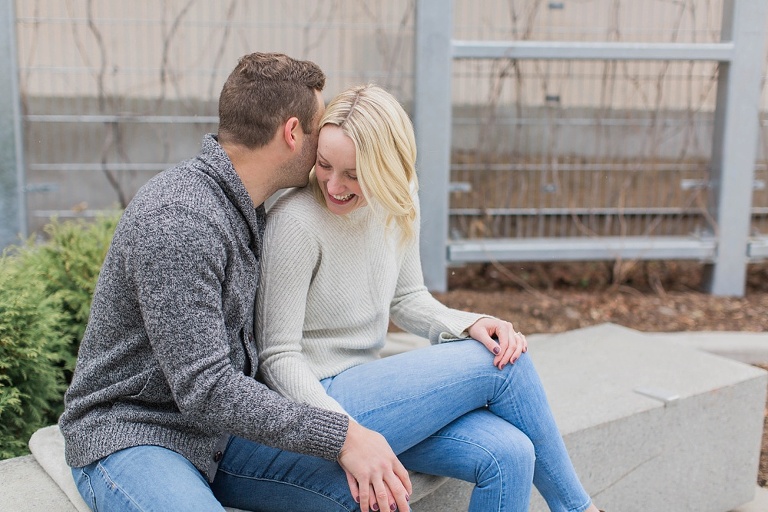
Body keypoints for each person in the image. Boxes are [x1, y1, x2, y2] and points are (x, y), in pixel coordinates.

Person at [58, 54, 412, 512]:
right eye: (318, 125)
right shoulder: (180, 220)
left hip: (221, 437)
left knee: (368, 495)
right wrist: (341, 435)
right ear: (291, 133)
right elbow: (207, 389)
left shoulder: (245, 205)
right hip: (135, 432)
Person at [256, 84, 604, 512]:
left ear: (386, 169)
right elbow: (277, 357)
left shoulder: (399, 200)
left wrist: (467, 323)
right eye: (325, 165)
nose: (334, 184)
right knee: (498, 363)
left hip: (371, 390)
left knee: (511, 453)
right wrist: (346, 434)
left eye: (354, 174)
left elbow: (407, 298)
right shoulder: (295, 220)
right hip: (317, 401)